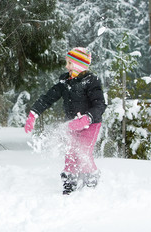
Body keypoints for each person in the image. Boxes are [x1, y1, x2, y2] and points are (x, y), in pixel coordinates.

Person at [24, 47, 107, 195]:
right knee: (70, 153)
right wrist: (33, 113)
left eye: (69, 63)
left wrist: (87, 117)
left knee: (83, 152)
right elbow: (48, 97)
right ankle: (70, 181)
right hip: (72, 124)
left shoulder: (91, 81)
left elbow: (100, 104)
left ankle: (91, 180)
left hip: (91, 124)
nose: (66, 66)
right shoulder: (64, 82)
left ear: (79, 65)